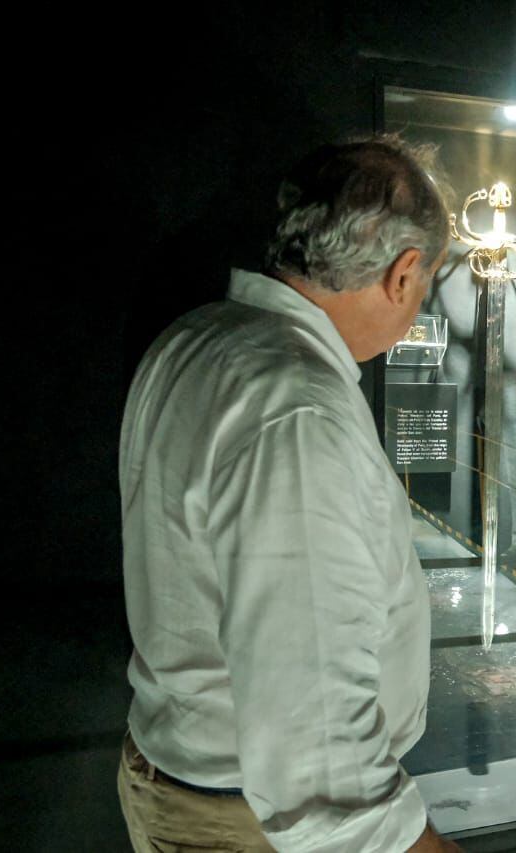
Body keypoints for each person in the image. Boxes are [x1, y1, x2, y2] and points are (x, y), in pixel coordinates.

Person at [116, 135, 461, 852]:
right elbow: (320, 759)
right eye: (425, 282)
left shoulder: (198, 337)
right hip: (242, 823)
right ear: (403, 275)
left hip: (184, 782)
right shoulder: (298, 413)